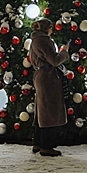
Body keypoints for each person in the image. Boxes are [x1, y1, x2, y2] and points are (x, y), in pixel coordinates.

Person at [29, 18, 70, 156]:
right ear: (47, 28)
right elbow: (54, 60)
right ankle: (46, 146)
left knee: (41, 109)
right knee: (48, 110)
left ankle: (38, 143)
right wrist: (64, 52)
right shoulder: (44, 40)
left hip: (40, 75)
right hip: (48, 77)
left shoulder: (35, 40)